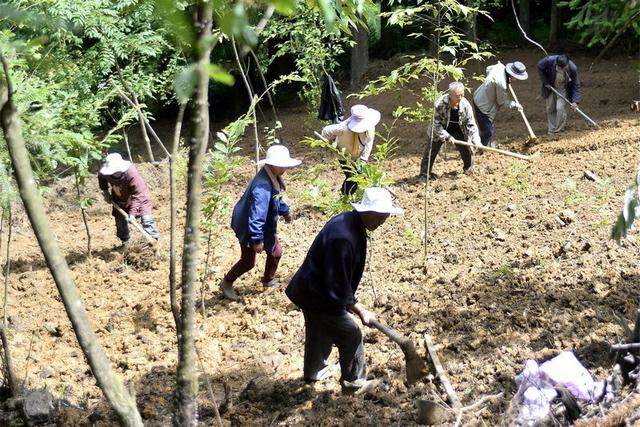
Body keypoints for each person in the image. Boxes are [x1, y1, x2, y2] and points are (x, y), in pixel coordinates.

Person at [285, 187, 404, 394]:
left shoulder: (351, 223)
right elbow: (336, 282)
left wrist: (349, 301)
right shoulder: (344, 237)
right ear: (367, 211)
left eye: (387, 216)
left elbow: (338, 278)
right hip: (317, 293)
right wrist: (360, 309)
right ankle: (354, 383)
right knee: (351, 334)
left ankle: (314, 372)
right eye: (381, 215)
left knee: (319, 330)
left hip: (312, 289)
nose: (384, 220)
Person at [219, 145, 302, 301]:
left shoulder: (272, 176)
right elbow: (258, 212)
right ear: (271, 164)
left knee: (275, 251)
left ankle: (268, 279)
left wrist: (285, 211)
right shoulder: (263, 185)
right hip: (249, 225)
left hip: (259, 224)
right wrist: (257, 239)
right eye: (281, 164)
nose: (285, 168)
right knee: (248, 261)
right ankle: (227, 282)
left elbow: (275, 200)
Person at [419, 82, 481, 179]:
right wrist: (447, 137)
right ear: (450, 95)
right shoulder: (440, 104)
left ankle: (468, 169)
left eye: (462, 95)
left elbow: (471, 124)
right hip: (440, 130)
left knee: (465, 148)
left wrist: (476, 140)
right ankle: (424, 174)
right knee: (431, 150)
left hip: (458, 128)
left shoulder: (465, 105)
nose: (460, 98)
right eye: (457, 96)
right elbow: (436, 125)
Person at [98, 153, 159, 247]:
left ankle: (153, 241)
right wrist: (106, 192)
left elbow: (138, 195)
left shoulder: (131, 173)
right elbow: (101, 177)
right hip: (120, 197)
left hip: (140, 197)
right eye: (113, 171)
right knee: (120, 221)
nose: (115, 172)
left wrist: (132, 213)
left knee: (146, 219)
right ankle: (125, 243)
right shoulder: (105, 173)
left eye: (117, 170)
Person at [320, 104, 381, 196]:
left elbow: (369, 143)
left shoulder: (370, 126)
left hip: (359, 155)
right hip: (344, 156)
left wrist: (363, 160)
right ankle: (345, 196)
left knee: (358, 176)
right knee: (352, 177)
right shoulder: (342, 128)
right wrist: (328, 141)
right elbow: (326, 131)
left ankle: (347, 195)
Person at [473, 61, 528, 147]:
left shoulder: (500, 66)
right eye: (517, 77)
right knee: (487, 131)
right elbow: (502, 102)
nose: (517, 79)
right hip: (483, 106)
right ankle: (483, 149)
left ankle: (487, 145)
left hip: (479, 95)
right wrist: (515, 104)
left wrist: (491, 83)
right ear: (512, 74)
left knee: (489, 127)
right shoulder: (501, 84)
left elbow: (488, 69)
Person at [537, 54, 581, 135]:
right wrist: (545, 82)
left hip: (563, 89)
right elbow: (540, 66)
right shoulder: (549, 60)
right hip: (551, 87)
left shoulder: (572, 68)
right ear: (557, 64)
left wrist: (575, 101)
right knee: (550, 108)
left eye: (564, 67)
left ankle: (559, 130)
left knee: (560, 107)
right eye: (560, 67)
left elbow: (576, 84)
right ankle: (551, 130)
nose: (562, 68)